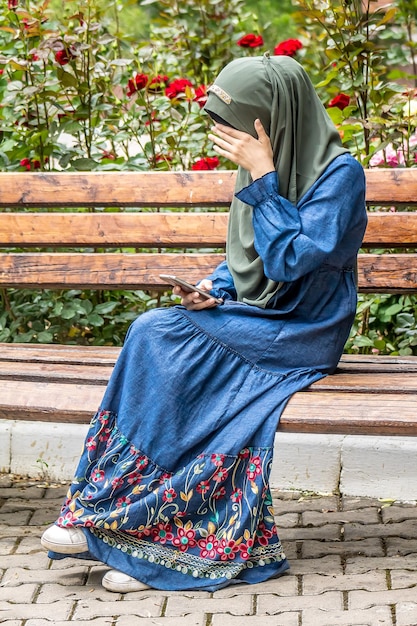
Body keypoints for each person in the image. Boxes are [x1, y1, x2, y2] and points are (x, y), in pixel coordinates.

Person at [41, 54, 367, 593]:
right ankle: (118, 517)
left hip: (303, 329)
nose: (230, 138)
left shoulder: (340, 176)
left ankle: (137, 529)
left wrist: (264, 178)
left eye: (238, 125)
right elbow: (246, 256)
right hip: (255, 316)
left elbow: (290, 260)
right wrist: (214, 289)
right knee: (159, 331)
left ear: (276, 117)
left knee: (157, 334)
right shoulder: (267, 160)